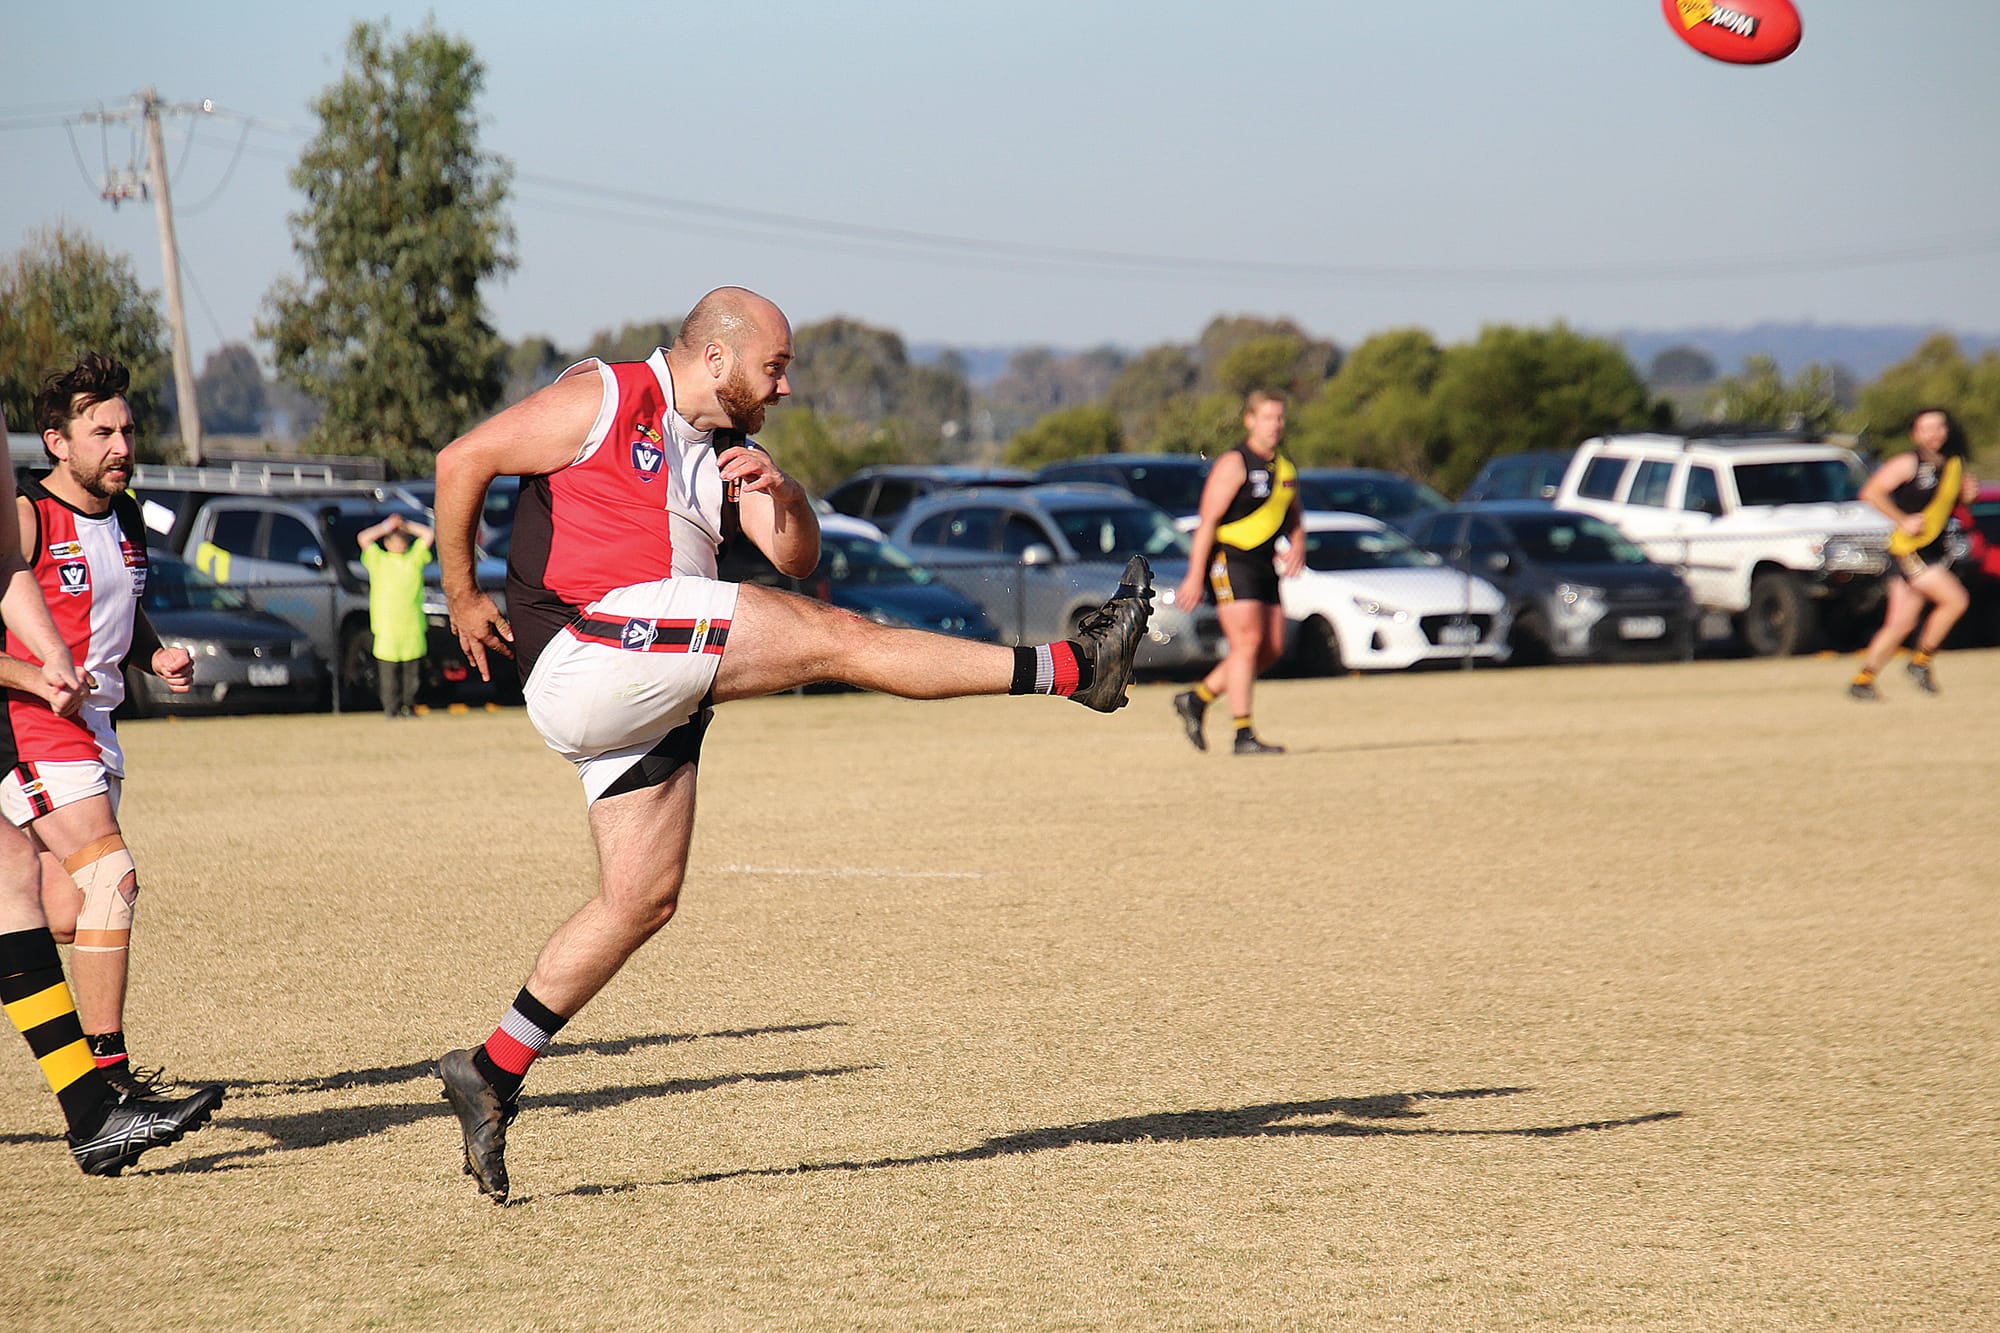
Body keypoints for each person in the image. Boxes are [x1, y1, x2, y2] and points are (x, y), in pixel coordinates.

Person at [431, 287, 1153, 1204]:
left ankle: (491, 1069)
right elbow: (464, 458)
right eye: (775, 367)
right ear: (719, 358)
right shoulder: (608, 396)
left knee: (640, 900)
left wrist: (790, 496)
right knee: (840, 639)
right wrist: (463, 595)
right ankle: (1075, 665)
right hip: (588, 646)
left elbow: (797, 557)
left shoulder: (732, 456)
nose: (784, 388)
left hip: (639, 686)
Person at [0, 398, 221, 1175]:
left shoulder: (125, 518)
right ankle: (109, 1078)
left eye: (127, 430)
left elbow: (116, 612)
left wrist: (152, 656)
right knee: (110, 883)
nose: (122, 444)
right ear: (56, 441)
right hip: (34, 725)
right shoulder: (29, 512)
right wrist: (32, 674)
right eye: (102, 432)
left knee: (58, 911)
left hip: (93, 730)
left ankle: (99, 1095)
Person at [1172, 389, 1304, 755]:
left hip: (1265, 564)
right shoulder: (1234, 463)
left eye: (1280, 417)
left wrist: (1298, 543)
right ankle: (1243, 733)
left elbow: (1294, 512)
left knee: (1272, 648)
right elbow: (1207, 522)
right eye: (1267, 417)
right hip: (1231, 560)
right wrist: (1194, 576)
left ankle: (1197, 699)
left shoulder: (1284, 466)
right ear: (1250, 420)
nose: (1275, 425)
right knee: (1246, 645)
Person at [1849, 407, 1979, 700]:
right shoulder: (1908, 463)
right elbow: (1871, 492)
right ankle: (1920, 662)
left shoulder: (1954, 463)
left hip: (1932, 548)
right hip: (1910, 549)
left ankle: (1862, 680)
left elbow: (1953, 504)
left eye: (1939, 427)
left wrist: (1967, 496)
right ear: (1915, 434)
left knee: (1901, 623)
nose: (1934, 434)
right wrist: (1902, 519)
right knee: (1956, 600)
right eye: (1926, 429)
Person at [356, 512, 436, 718]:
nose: (399, 544)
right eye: (395, 540)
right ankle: (390, 709)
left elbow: (428, 534)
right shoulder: (379, 560)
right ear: (387, 543)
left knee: (412, 676)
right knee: (388, 675)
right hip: (387, 628)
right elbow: (363, 538)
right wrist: (386, 526)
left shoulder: (413, 559)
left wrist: (405, 525)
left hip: (412, 627)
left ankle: (409, 706)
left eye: (402, 541)